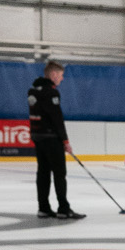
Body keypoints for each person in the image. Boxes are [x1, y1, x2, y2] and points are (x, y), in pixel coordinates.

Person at [27, 60, 83, 219]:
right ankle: (63, 209)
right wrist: (65, 141)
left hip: (37, 136)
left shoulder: (33, 91)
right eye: (60, 75)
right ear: (53, 74)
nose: (62, 78)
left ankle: (43, 207)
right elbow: (56, 118)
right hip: (51, 137)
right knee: (59, 173)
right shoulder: (51, 93)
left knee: (43, 173)